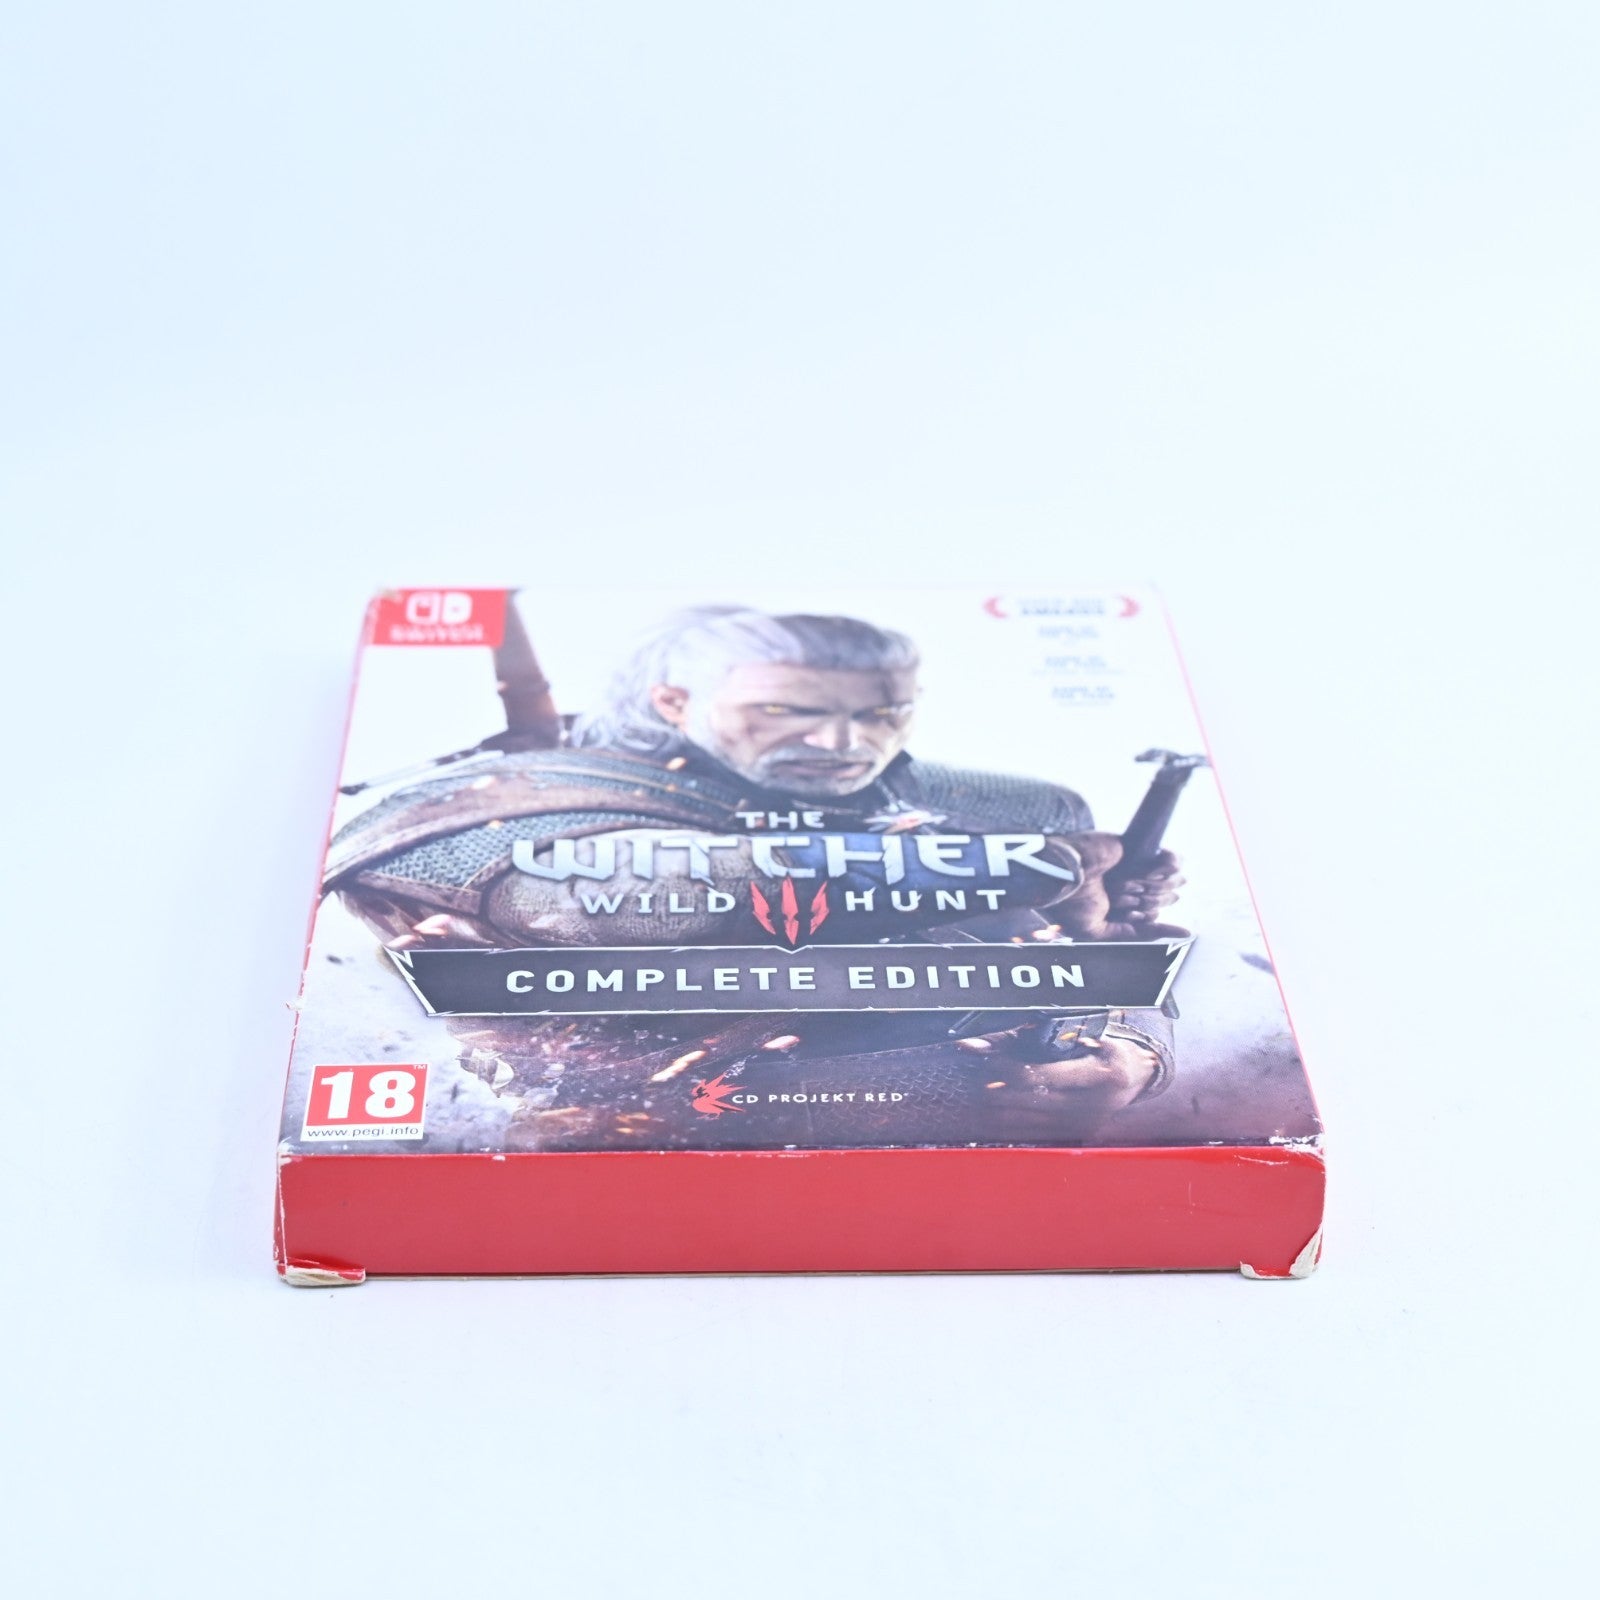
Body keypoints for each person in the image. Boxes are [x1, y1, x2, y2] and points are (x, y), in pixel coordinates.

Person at [324, 606, 1185, 1148]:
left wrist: (1130, 1058)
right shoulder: (523, 797)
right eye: (784, 711)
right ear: (673, 703)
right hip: (606, 1148)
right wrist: (1037, 869)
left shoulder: (974, 806)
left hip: (949, 1175)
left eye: (881, 714)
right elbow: (594, 903)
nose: (844, 745)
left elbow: (1107, 956)